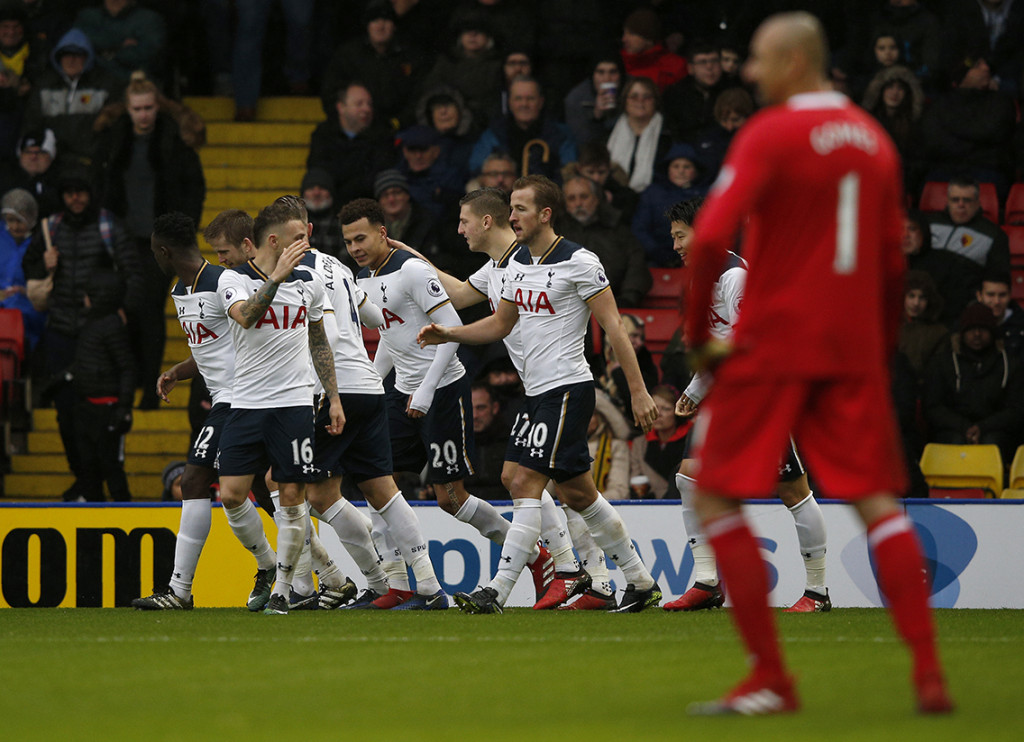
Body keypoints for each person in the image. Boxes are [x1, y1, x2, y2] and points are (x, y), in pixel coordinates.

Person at [682, 13, 952, 714]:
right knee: (875, 502)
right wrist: (878, 343)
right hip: (852, 345)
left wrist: (696, 338)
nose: (748, 71)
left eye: (758, 58)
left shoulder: (770, 131)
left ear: (795, 61)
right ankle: (928, 674)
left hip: (774, 341)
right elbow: (894, 264)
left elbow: (710, 237)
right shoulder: (875, 140)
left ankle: (771, 677)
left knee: (711, 492)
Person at [418, 174, 663, 614]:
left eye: (521, 209)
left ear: (545, 214)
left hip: (568, 387)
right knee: (577, 494)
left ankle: (499, 589)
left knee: (525, 481)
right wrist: (449, 333)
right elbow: (500, 325)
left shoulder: (580, 261)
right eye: (511, 208)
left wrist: (639, 392)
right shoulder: (514, 267)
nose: (513, 216)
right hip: (537, 394)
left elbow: (615, 330)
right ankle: (639, 583)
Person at [342, 197, 556, 603]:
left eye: (361, 238)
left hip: (442, 390)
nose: (355, 248)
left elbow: (452, 326)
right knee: (374, 479)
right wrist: (372, 383)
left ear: (382, 234)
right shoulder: (362, 280)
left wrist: (425, 390)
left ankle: (531, 553)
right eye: (349, 241)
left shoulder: (412, 270)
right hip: (402, 393)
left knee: (450, 498)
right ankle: (399, 583)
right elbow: (391, 337)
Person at [133, 211, 325, 611]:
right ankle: (300, 574)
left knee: (196, 481)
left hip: (244, 398)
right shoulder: (178, 290)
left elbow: (248, 326)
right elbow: (214, 348)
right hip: (227, 399)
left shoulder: (223, 282)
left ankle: (181, 590)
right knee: (255, 494)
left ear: (163, 252)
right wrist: (178, 371)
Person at [272, 194, 447, 611]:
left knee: (297, 488)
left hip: (335, 390)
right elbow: (373, 318)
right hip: (370, 388)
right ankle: (425, 585)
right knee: (381, 490)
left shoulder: (294, 274)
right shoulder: (340, 267)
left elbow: (326, 336)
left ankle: (319, 587)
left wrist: (322, 389)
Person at [665, 197, 831, 614]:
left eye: (680, 236)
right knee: (689, 478)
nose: (676, 246)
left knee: (793, 491)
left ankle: (818, 592)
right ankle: (706, 581)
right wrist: (696, 390)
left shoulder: (734, 276)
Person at [216, 200, 345, 615]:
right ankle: (269, 565)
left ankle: (285, 591)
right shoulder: (232, 279)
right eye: (298, 238)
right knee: (232, 495)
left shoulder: (309, 281)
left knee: (290, 495)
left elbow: (318, 341)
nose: (306, 245)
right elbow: (246, 317)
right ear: (274, 241)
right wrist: (274, 277)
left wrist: (334, 396)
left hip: (292, 404)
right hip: (246, 403)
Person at [21, 169, 141, 503]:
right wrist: (42, 265)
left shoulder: (108, 225)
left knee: (99, 417)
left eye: (81, 191)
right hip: (60, 330)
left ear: (92, 193)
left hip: (99, 332)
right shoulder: (51, 227)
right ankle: (84, 479)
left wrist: (123, 313)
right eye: (69, 191)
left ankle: (101, 481)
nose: (75, 198)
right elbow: (27, 270)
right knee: (65, 414)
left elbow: (134, 271)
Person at [96, 71, 205, 409]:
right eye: (137, 108)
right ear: (126, 109)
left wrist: (181, 231)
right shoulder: (113, 141)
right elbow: (102, 186)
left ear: (158, 107)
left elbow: (195, 188)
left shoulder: (175, 140)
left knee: (150, 310)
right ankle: (130, 383)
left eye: (148, 107)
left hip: (161, 243)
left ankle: (149, 387)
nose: (143, 114)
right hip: (123, 239)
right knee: (127, 308)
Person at [923, 301, 1024, 463]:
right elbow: (933, 407)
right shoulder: (943, 363)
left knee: (992, 443)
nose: (977, 334)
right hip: (953, 430)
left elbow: (1016, 409)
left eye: (983, 329)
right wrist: (964, 427)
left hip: (996, 431)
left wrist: (983, 427)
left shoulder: (1010, 365)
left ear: (992, 333)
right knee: (955, 443)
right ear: (962, 333)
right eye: (971, 329)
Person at [69, 267, 133, 501]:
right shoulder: (92, 323)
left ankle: (123, 514)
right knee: (89, 466)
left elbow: (126, 367)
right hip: (88, 408)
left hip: (108, 409)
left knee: (110, 467)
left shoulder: (111, 325)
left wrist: (123, 408)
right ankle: (94, 514)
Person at [20, 28, 122, 169]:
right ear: (58, 57)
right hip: (52, 164)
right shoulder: (44, 86)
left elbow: (115, 130)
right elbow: (32, 125)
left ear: (88, 57)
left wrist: (106, 159)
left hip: (92, 163)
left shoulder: (105, 86)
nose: (71, 60)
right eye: (66, 55)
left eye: (77, 55)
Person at [919, 55, 1016, 198]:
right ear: (962, 75)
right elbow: (934, 141)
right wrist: (975, 146)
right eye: (977, 65)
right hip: (946, 169)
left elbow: (995, 135)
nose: (986, 68)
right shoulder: (941, 104)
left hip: (986, 170)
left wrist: (957, 136)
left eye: (986, 64)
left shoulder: (1001, 102)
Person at [319, 0, 427, 128]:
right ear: (367, 26)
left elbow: (420, 96)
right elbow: (331, 94)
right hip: (356, 128)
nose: (381, 26)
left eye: (386, 20)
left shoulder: (411, 56)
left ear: (394, 26)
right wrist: (349, 123)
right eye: (375, 20)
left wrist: (398, 122)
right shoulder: (348, 55)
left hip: (398, 129)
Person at [558, 174, 651, 307]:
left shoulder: (617, 227)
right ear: (566, 204)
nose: (578, 203)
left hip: (613, 305)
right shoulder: (555, 232)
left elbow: (636, 264)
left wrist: (628, 298)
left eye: (584, 197)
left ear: (596, 199)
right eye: (572, 199)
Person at [468, 76, 577, 184]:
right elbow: (476, 169)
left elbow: (570, 172)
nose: (524, 104)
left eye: (530, 99)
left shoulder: (560, 134)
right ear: (509, 103)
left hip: (547, 196)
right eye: (518, 99)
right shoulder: (494, 134)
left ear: (541, 102)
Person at [927, 176, 1011, 316]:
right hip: (923, 303)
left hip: (962, 310)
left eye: (967, 200)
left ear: (978, 203)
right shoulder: (929, 224)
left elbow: (998, 279)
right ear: (947, 201)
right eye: (955, 200)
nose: (961, 205)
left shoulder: (994, 235)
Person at [306, 81, 395, 206]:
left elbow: (380, 174)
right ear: (341, 107)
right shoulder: (323, 135)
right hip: (332, 206)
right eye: (359, 104)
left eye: (369, 104)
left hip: (370, 205)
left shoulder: (383, 135)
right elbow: (318, 172)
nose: (366, 109)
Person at [632, 143, 707, 266]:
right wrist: (658, 253)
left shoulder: (707, 195)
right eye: (676, 166)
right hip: (657, 260)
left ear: (696, 170)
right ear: (668, 169)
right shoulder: (652, 193)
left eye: (686, 166)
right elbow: (640, 229)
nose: (681, 171)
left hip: (698, 259)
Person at [605, 76, 672, 194]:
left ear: (655, 101)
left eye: (647, 97)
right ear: (625, 101)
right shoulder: (608, 131)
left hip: (653, 197)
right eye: (634, 97)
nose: (640, 101)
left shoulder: (668, 134)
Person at [73, 0, 166, 83]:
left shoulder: (149, 19)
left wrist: (105, 54)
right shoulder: (88, 17)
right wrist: (119, 42)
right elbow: (76, 42)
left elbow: (148, 54)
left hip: (133, 83)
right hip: (91, 82)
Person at [663, 40, 733, 143]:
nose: (709, 67)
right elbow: (671, 133)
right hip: (685, 152)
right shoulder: (674, 94)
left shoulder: (733, 91)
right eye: (702, 62)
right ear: (690, 68)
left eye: (714, 61)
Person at [1, 187, 45, 349]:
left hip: (27, 313)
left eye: (19, 220)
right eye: (10, 220)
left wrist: (24, 291)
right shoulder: (1, 238)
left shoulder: (40, 243)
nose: (14, 226)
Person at [628, 384, 690, 499]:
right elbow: (636, 480)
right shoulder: (640, 444)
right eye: (655, 408)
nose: (658, 414)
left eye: (666, 409)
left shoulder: (690, 440)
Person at [563, 53, 623, 149]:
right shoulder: (576, 99)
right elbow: (582, 144)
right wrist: (597, 116)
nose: (607, 79)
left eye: (613, 72)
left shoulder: (632, 91)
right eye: (601, 72)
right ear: (592, 75)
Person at [619, 8, 686, 91]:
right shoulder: (618, 65)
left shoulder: (676, 66)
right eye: (624, 33)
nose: (624, 39)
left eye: (631, 34)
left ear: (648, 38)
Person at [900, 269, 949, 380]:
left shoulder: (938, 333)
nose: (916, 303)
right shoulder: (889, 327)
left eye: (922, 297)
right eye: (911, 296)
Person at [0, 129, 60, 218]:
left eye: (40, 152)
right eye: (27, 152)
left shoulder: (60, 183)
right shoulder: (5, 181)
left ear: (51, 156)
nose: (33, 157)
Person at [587, 388, 632, 500]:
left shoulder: (616, 446)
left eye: (590, 414)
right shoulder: (564, 446)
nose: (584, 419)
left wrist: (589, 505)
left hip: (605, 509)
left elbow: (619, 489)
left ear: (601, 417)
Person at [976, 271, 1024, 362]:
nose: (997, 301)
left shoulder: (1021, 324)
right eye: (990, 295)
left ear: (1010, 295)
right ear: (979, 296)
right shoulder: (964, 325)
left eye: (1002, 295)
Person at [299, 168, 344, 265]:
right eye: (311, 188)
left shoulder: (343, 223)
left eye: (322, 188)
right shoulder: (293, 223)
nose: (316, 193)